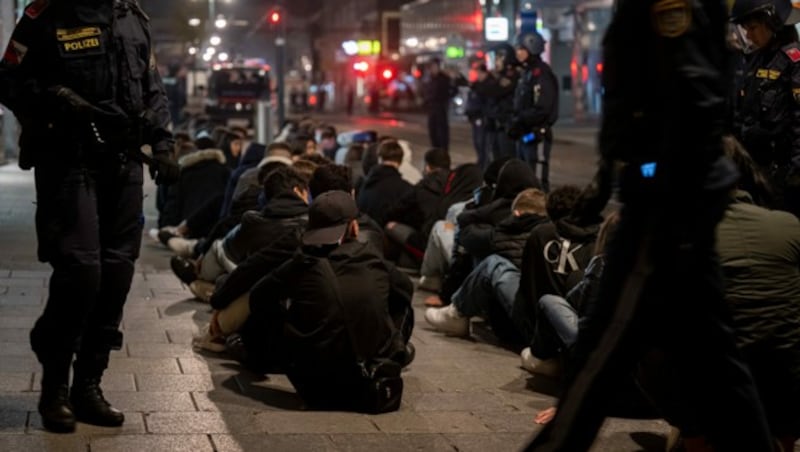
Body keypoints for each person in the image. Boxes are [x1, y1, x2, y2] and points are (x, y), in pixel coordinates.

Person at [524, 0, 774, 449]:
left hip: (663, 206)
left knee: (602, 350)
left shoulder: (669, 3)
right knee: (719, 360)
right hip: (675, 197)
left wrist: (651, 172)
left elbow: (686, 88)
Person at [0, 0, 179, 433]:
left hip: (123, 164)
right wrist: (58, 100)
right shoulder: (47, 14)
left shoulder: (132, 17)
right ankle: (55, 388)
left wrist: (164, 143)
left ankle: (88, 386)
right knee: (81, 272)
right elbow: (7, 79)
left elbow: (150, 84)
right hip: (68, 160)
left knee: (117, 274)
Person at [239, 191, 413, 411]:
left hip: (314, 386)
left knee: (268, 307)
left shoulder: (302, 263)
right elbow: (406, 290)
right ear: (354, 227)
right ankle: (393, 352)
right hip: (367, 379)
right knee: (401, 301)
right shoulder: (373, 259)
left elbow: (258, 298)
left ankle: (257, 358)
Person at [730, 0, 800, 217]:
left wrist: (794, 173)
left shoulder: (793, 62)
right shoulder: (756, 58)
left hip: (785, 175)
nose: (748, 36)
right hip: (756, 171)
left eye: (752, 28)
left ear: (771, 22)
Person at [510, 31, 559, 192]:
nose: (518, 53)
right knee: (524, 180)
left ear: (531, 49)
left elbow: (543, 107)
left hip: (536, 134)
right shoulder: (528, 73)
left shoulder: (541, 74)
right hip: (525, 133)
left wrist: (520, 120)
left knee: (536, 180)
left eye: (521, 49)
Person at [423, 58, 454, 151]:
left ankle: (443, 153)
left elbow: (452, 91)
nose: (432, 69)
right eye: (431, 67)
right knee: (433, 132)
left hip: (441, 108)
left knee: (442, 132)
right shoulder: (430, 79)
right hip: (432, 108)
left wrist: (445, 99)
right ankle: (435, 151)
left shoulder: (444, 79)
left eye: (434, 66)